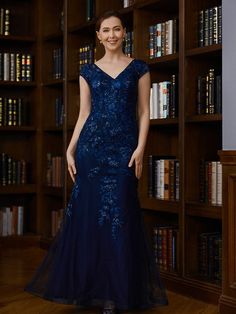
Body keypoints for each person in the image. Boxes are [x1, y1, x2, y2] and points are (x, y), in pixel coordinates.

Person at [25, 10, 168, 314]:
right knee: (91, 219)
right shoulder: (88, 71)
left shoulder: (139, 69)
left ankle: (118, 293)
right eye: (106, 30)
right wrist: (70, 148)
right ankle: (91, 290)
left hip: (124, 151)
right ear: (99, 36)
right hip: (92, 150)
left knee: (121, 218)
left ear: (124, 33)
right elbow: (85, 113)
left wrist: (141, 148)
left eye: (117, 29)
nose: (112, 35)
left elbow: (144, 112)